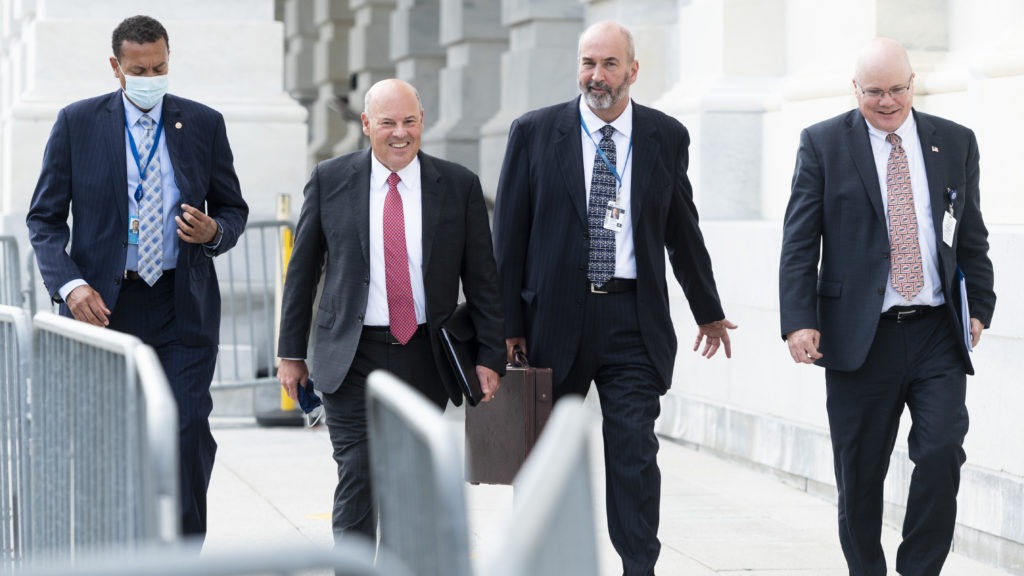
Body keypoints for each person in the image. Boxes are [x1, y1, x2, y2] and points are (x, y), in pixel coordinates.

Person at [492, 20, 736, 576]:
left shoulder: (664, 137)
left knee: (633, 451)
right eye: (587, 63)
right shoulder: (534, 132)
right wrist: (506, 323)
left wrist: (708, 310)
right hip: (552, 318)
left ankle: (638, 567)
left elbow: (682, 229)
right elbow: (507, 235)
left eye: (607, 64)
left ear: (632, 69)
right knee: (544, 457)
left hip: (631, 318)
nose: (595, 76)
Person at [26, 15, 249, 539]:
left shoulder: (203, 123)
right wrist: (70, 285)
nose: (151, 76)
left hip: (180, 303)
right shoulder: (77, 123)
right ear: (116, 68)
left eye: (160, 66)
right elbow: (44, 219)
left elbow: (233, 209)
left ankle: (179, 553)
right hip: (104, 306)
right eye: (139, 69)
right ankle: (115, 549)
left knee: (188, 427)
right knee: (106, 438)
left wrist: (215, 230)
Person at [779, 38, 996, 576]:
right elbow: (800, 242)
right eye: (874, 91)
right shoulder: (823, 144)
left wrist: (980, 305)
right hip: (860, 337)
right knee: (860, 473)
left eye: (898, 89)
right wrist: (799, 320)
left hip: (935, 332)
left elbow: (970, 235)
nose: (887, 101)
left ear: (912, 82)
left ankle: (919, 570)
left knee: (942, 450)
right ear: (855, 88)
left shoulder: (955, 142)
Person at [276, 78, 505, 543]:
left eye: (409, 122)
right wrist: (290, 352)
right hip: (350, 356)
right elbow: (302, 273)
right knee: (359, 478)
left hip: (424, 357)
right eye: (387, 123)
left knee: (407, 485)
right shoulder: (330, 180)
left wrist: (489, 354)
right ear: (366, 125)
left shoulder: (458, 186)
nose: (400, 133)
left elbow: (483, 280)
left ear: (422, 123)